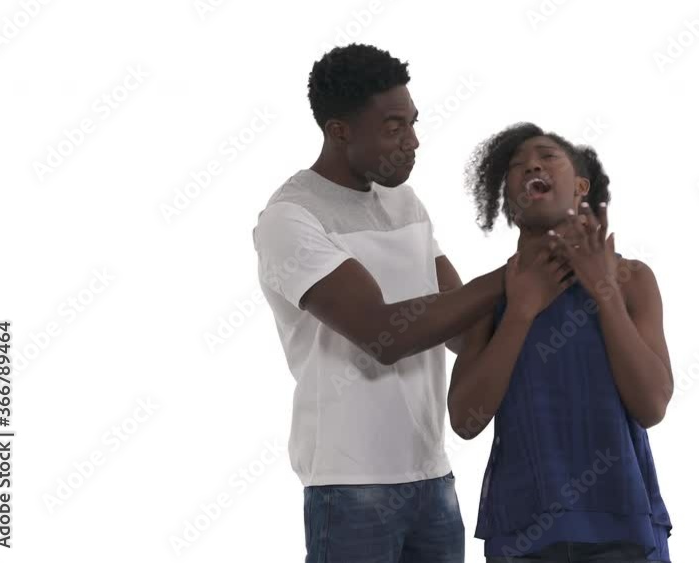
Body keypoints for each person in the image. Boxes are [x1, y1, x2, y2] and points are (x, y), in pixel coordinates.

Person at [252, 44, 553, 563]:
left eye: (413, 123)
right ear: (339, 130)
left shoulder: (405, 203)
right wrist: (514, 275)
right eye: (394, 127)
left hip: (432, 475)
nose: (413, 142)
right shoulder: (291, 218)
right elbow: (383, 335)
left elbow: (462, 323)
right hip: (349, 485)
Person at [448, 123, 675, 562]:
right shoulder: (490, 296)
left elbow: (652, 406)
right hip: (522, 531)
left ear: (580, 187)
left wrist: (602, 290)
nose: (531, 164)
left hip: (623, 524)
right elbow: (465, 420)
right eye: (515, 166)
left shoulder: (633, 280)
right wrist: (520, 312)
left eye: (548, 156)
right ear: (508, 201)